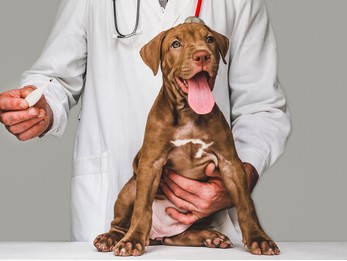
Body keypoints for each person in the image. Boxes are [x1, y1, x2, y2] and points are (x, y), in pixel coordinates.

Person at [0, 0, 291, 242]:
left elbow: (261, 107)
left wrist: (239, 178)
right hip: (112, 196)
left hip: (202, 219)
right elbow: (57, 77)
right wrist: (42, 104)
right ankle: (122, 229)